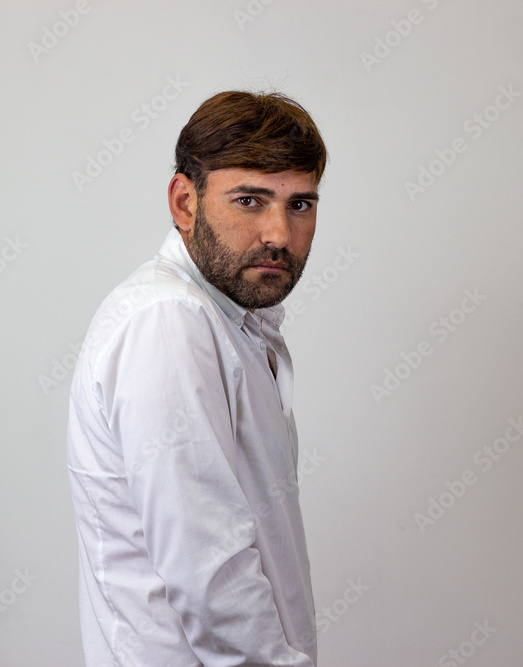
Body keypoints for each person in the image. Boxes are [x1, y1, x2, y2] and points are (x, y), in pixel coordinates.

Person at [66, 89, 328, 666]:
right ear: (184, 203)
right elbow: (212, 572)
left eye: (300, 205)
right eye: (250, 200)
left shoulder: (232, 320)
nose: (280, 234)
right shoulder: (169, 321)